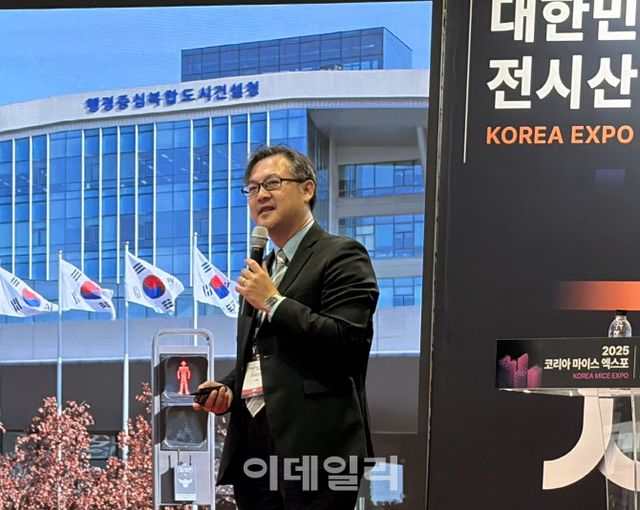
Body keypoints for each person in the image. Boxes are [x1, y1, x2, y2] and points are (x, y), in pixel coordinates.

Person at [193, 144, 379, 509]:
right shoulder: (262, 269)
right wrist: (228, 388)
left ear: (307, 189)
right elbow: (263, 355)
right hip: (253, 447)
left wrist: (274, 302)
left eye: (272, 183)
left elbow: (348, 342)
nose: (260, 195)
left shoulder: (341, 254)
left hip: (318, 450)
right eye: (252, 188)